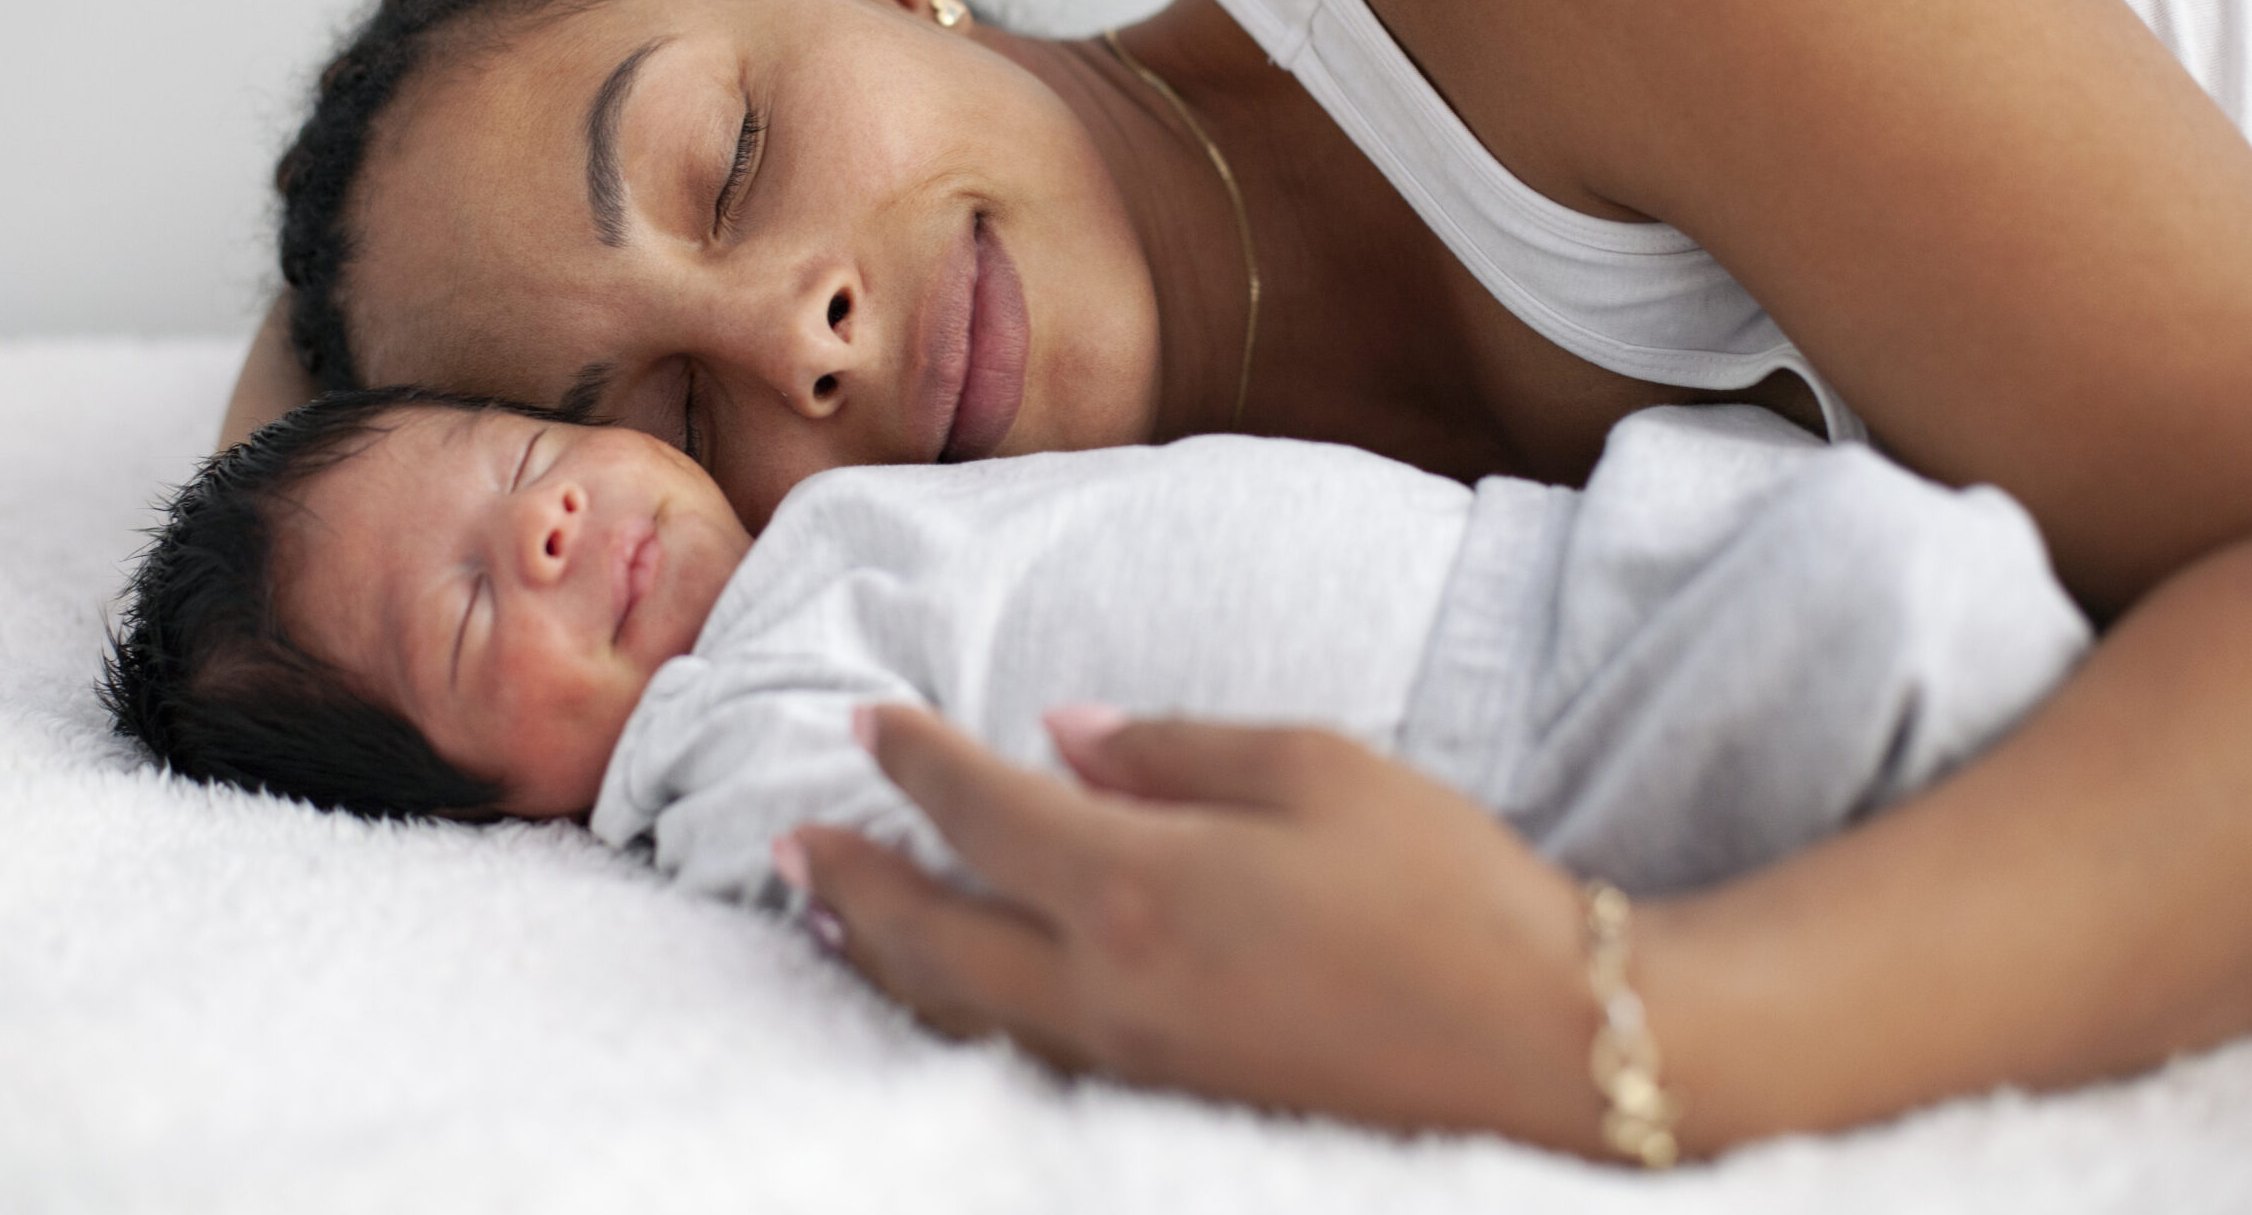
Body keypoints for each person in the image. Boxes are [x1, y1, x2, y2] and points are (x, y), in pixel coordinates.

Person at [216, 0, 2252, 1159]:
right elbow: (315, 572)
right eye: (668, 414)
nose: (800, 334)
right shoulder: (1166, 584)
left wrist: (1622, 1028)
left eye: (729, 157)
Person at [111, 388, 2084, 908]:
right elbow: (883, 870)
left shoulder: (828, 518)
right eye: (470, 606)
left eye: (532, 455)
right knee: (1912, 613)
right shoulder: (728, 737)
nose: (547, 524)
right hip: (1508, 739)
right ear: (472, 805)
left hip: (1562, 550)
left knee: (1914, 517)